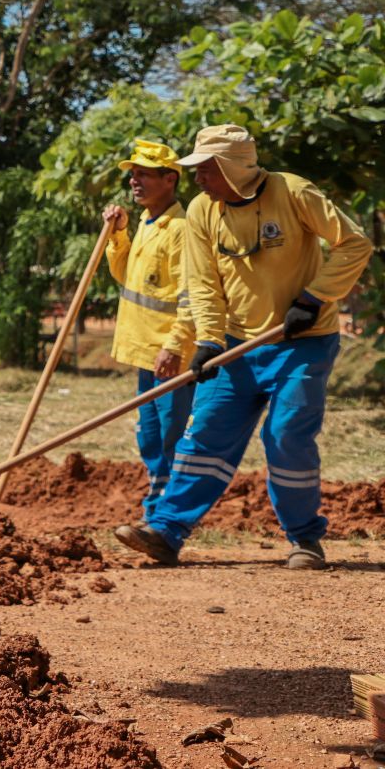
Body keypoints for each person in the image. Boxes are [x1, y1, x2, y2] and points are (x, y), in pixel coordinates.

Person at [115, 125, 372, 570]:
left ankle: (305, 540)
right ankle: (166, 531)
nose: (198, 179)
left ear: (233, 168)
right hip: (237, 343)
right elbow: (202, 284)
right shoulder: (201, 210)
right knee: (205, 433)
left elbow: (354, 243)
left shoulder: (293, 192)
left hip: (301, 342)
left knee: (286, 434)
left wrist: (313, 299)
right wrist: (209, 341)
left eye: (206, 170)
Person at [101, 140, 197, 525]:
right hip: (145, 353)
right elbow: (126, 276)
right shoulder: (147, 222)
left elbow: (192, 296)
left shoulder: (181, 230)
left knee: (173, 438)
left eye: (143, 173)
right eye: (133, 173)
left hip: (169, 356)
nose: (133, 180)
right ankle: (155, 512)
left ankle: (167, 520)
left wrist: (175, 346)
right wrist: (119, 234)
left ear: (169, 179)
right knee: (151, 438)